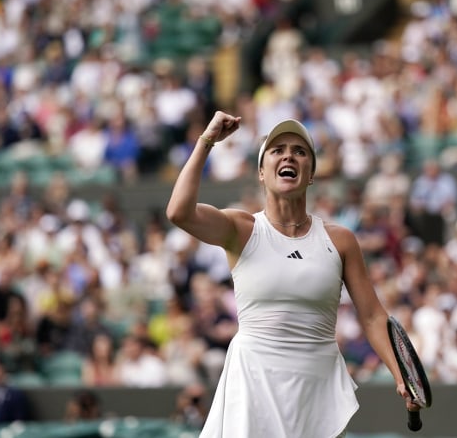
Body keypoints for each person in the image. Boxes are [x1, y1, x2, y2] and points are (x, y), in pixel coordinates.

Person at [166, 112, 417, 437]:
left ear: (310, 174)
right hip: (253, 383)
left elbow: (371, 316)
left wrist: (401, 375)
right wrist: (206, 141)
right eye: (277, 149)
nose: (288, 155)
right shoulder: (240, 229)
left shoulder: (340, 240)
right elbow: (178, 212)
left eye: (300, 151)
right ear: (261, 172)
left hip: (316, 389)